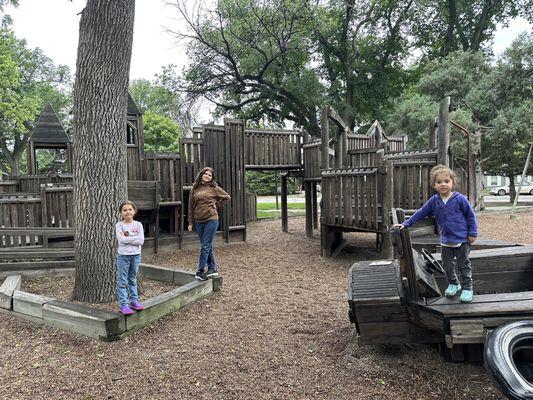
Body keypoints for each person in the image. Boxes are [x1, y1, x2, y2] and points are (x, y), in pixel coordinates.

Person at [393, 165, 478, 303]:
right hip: (446, 240)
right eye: (439, 182)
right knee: (447, 265)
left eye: (446, 181)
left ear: (452, 183)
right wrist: (406, 223)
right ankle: (453, 284)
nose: (443, 184)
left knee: (463, 264)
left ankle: (467, 288)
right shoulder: (434, 201)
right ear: (434, 185)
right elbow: (421, 212)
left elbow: (470, 216)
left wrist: (473, 233)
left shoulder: (459, 199)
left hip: (462, 239)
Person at [188, 167, 230, 281]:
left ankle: (200, 271)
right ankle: (212, 269)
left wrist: (217, 204)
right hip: (198, 220)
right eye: (205, 174)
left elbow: (227, 197)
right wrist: (190, 222)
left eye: (209, 175)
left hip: (211, 219)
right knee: (207, 246)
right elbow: (190, 206)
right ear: (201, 174)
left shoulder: (214, 188)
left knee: (205, 246)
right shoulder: (195, 189)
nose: (207, 176)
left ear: (212, 178)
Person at [115, 200, 145, 315]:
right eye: (124, 210)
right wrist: (134, 239)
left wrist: (128, 239)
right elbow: (121, 240)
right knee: (122, 281)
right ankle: (123, 304)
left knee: (132, 279)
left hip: (136, 256)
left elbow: (141, 241)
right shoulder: (119, 225)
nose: (127, 212)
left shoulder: (138, 225)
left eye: (130, 209)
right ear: (121, 213)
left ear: (134, 211)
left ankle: (134, 301)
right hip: (123, 256)